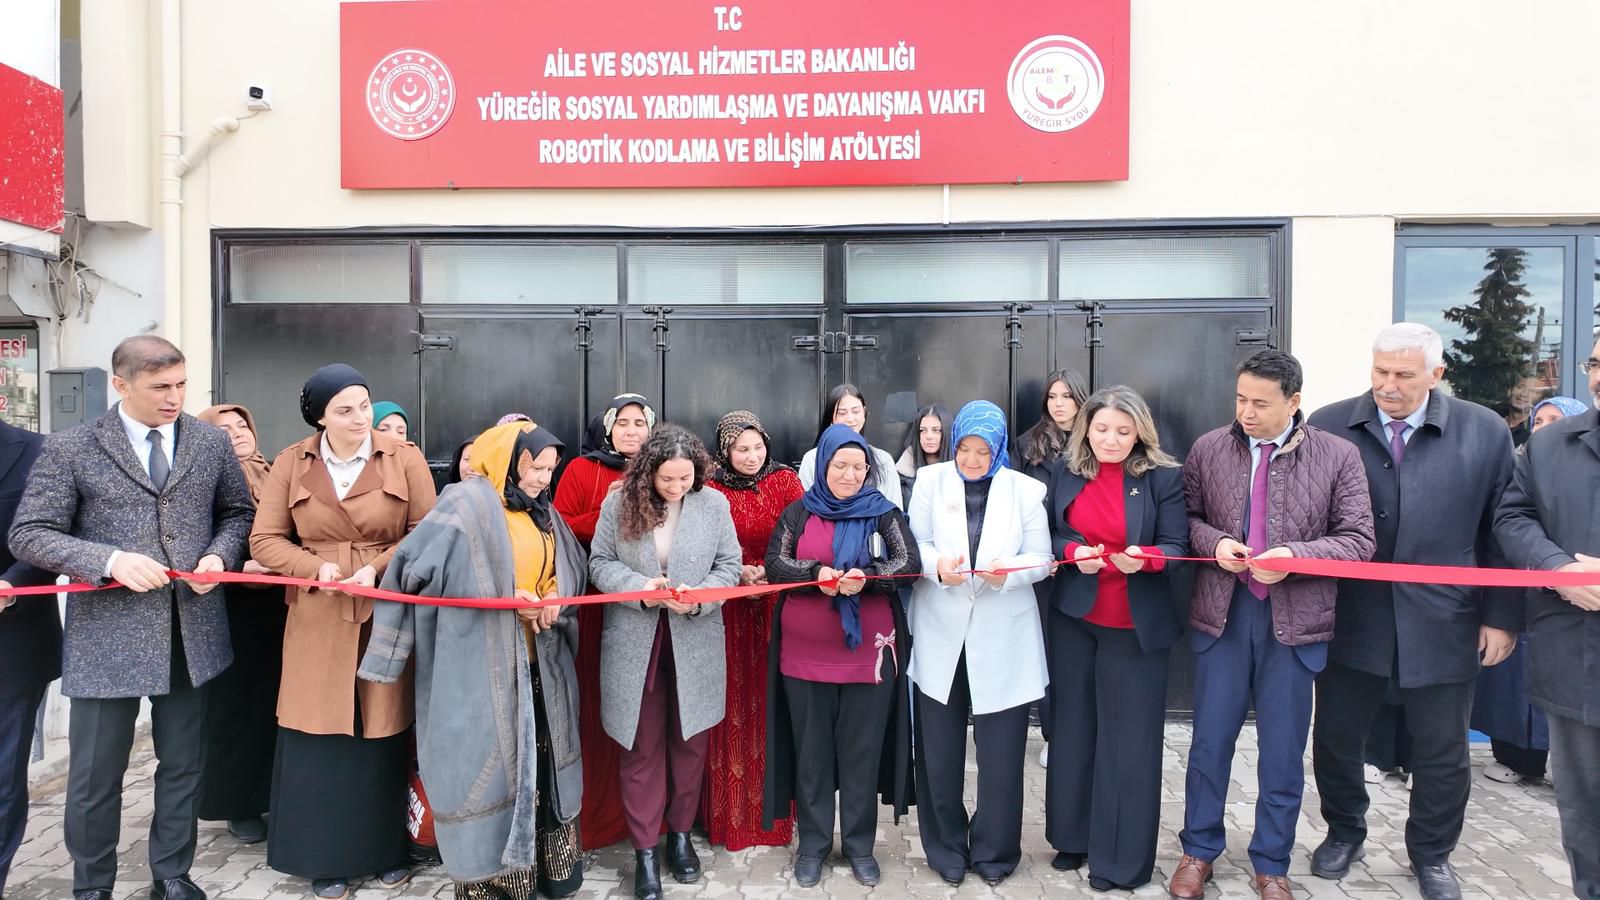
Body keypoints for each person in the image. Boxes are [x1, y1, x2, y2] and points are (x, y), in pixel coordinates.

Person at [9, 335, 255, 900]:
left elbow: (237, 513)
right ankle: (92, 885)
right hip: (107, 637)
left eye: (182, 385)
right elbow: (30, 534)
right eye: (160, 387)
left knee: (183, 766)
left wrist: (219, 556)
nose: (175, 397)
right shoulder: (72, 447)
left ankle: (172, 875)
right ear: (121, 385)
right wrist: (108, 560)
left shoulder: (210, 443)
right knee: (95, 776)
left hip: (192, 631)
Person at [1306, 323, 1522, 900]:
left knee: (1443, 751)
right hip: (1352, 616)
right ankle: (1344, 831)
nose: (1388, 385)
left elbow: (1501, 529)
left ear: (1437, 374)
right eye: (1380, 371)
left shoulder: (1484, 431)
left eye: (1403, 374)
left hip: (1447, 618)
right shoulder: (1329, 424)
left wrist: (1501, 615)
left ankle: (1432, 854)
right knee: (1337, 738)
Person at [1170, 350, 1375, 900]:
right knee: (1209, 744)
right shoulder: (1209, 448)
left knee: (1283, 751)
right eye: (1240, 399)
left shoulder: (1338, 455)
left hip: (1295, 623)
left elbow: (1359, 540)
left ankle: (1272, 862)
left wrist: (1294, 556)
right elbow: (1184, 520)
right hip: (1222, 616)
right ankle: (1198, 851)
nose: (1246, 412)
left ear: (1294, 401)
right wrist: (1217, 543)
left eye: (1260, 403)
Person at [359, 420, 586, 899]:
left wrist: (554, 596)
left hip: (540, 667)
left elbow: (570, 565)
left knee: (542, 766)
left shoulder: (544, 511)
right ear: (507, 460)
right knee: (489, 773)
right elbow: (407, 572)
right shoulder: (462, 504)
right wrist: (386, 659)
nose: (544, 478)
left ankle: (546, 874)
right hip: (478, 670)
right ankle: (495, 885)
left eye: (550, 469)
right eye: (536, 467)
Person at [248, 363, 437, 900]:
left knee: (382, 724)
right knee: (319, 729)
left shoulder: (403, 456)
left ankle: (385, 850)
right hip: (317, 610)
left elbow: (426, 530)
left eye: (364, 405)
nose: (360, 418)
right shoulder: (292, 461)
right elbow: (264, 540)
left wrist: (375, 569)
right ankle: (323, 858)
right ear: (319, 418)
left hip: (385, 606)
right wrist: (316, 569)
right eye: (344, 410)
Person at [1042, 385, 1187, 892]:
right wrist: (1071, 551)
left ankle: (1120, 860)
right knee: (1073, 729)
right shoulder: (1067, 469)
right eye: (1101, 429)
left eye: (1123, 431)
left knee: (1128, 744)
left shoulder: (1162, 477)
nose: (1110, 439)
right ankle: (1072, 837)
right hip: (1075, 618)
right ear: (1086, 430)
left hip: (1133, 625)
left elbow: (1178, 546)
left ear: (1140, 433)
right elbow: (1051, 534)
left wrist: (1146, 558)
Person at [588, 424, 741, 900]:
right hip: (637, 640)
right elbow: (599, 563)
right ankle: (645, 853)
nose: (676, 487)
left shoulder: (714, 504)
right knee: (640, 748)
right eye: (667, 479)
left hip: (694, 636)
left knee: (690, 744)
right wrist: (641, 588)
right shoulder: (619, 502)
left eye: (685, 478)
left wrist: (698, 598)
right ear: (648, 472)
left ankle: (680, 837)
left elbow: (729, 566)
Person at [764, 424, 920, 889]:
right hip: (804, 656)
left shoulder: (883, 512)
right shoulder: (799, 511)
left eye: (859, 467)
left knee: (860, 754)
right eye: (841, 465)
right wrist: (818, 573)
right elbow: (776, 563)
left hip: (868, 659)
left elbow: (908, 563)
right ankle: (812, 846)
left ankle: (859, 847)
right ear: (823, 465)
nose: (851, 475)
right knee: (812, 756)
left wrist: (867, 577)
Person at [906, 400, 1050, 887]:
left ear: (999, 448)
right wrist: (935, 566)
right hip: (941, 631)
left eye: (983, 451)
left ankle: (995, 849)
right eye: (964, 449)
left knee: (1001, 754)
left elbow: (1042, 558)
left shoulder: (1025, 490)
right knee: (939, 751)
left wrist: (1008, 572)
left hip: (1004, 633)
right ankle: (945, 846)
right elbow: (915, 543)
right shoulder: (930, 482)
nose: (971, 459)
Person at [1494, 339, 1600, 900]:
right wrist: (1556, 568)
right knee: (1583, 812)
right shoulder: (1550, 444)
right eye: (1597, 364)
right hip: (1572, 655)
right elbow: (1513, 517)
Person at [552, 393, 655, 852]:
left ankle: (650, 814)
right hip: (595, 604)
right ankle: (595, 815)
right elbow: (559, 525)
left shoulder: (662, 470)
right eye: (623, 422)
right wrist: (608, 511)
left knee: (646, 712)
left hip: (648, 608)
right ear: (608, 427)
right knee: (597, 704)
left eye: (640, 423)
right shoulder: (582, 470)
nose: (631, 431)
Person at [702, 411, 805, 850]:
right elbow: (698, 547)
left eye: (757, 447)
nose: (751, 456)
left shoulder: (785, 482)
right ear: (725, 450)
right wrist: (735, 572)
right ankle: (729, 819)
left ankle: (776, 816)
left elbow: (803, 538)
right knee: (730, 703)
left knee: (774, 702)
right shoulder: (709, 488)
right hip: (727, 612)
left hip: (776, 611)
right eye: (741, 449)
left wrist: (771, 570)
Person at [1473, 395, 1586, 786]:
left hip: (1578, 603)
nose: (1545, 428)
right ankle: (1518, 757)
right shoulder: (1525, 464)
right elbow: (1511, 520)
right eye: (1539, 421)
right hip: (1528, 596)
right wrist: (1553, 565)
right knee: (1514, 684)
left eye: (1557, 420)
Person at [195, 403, 284, 846]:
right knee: (237, 706)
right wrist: (238, 564)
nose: (238, 433)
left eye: (242, 424)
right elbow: (197, 539)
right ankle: (237, 803)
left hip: (278, 605)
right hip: (232, 608)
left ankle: (270, 793)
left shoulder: (274, 471)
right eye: (224, 429)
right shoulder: (204, 480)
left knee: (271, 702)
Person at [1016, 367, 1090, 767]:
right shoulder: (1028, 445)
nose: (1059, 404)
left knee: (1080, 651)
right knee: (1047, 650)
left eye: (1067, 396)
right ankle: (1053, 734)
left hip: (1085, 561)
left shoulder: (1095, 439)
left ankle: (1083, 732)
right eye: (1052, 397)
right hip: (1044, 564)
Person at [0, 418, 60, 899]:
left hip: (13, 642)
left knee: (2, 774)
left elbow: (53, 533)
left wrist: (12, 583)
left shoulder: (41, 452)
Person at [797, 384, 903, 509]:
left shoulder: (883, 459)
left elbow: (894, 509)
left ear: (864, 413)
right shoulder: (812, 459)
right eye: (842, 413)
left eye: (856, 411)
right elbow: (805, 508)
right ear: (831, 418)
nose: (850, 419)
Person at [894, 402, 950, 501]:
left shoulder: (960, 472)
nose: (929, 436)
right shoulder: (901, 475)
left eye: (936, 430)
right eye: (923, 430)